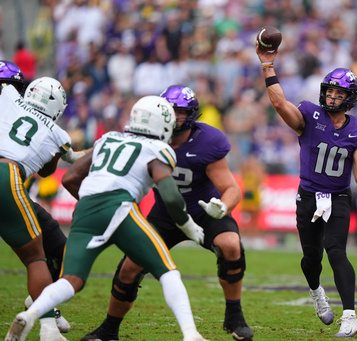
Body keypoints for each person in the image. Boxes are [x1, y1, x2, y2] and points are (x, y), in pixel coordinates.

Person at [5, 95, 208, 341]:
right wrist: (188, 225)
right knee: (167, 271)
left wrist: (94, 207)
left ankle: (31, 314)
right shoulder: (160, 148)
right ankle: (190, 334)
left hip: (86, 208)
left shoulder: (108, 138)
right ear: (163, 124)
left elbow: (69, 178)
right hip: (120, 206)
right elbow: (170, 195)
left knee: (71, 281)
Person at [82, 85, 253, 341]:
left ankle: (234, 315)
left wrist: (223, 206)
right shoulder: (149, 135)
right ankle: (108, 329)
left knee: (230, 245)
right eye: (169, 111)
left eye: (179, 112)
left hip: (204, 211)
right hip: (165, 214)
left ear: (192, 114)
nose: (173, 117)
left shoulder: (208, 141)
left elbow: (231, 188)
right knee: (129, 268)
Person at [256, 43, 357, 337]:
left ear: (350, 98)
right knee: (311, 258)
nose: (332, 96)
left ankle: (350, 316)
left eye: (339, 93)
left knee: (336, 251)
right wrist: (268, 65)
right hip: (308, 196)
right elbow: (280, 104)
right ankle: (317, 292)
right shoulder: (309, 115)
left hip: (339, 197)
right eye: (330, 90)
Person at [0, 75, 77, 341]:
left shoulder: (8, 95)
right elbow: (50, 169)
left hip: (9, 179)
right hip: (6, 177)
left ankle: (45, 309)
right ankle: (48, 327)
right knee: (35, 257)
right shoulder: (58, 134)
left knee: (52, 240)